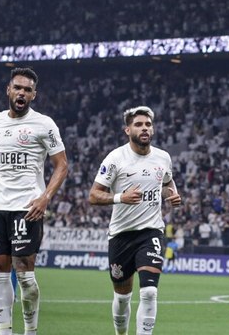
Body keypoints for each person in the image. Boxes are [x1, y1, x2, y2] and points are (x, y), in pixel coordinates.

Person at [0, 67, 69, 335]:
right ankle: (5, 332)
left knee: (25, 273)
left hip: (26, 207)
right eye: (18, 87)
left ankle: (30, 331)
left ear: (34, 95)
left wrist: (45, 197)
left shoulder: (44, 124)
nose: (22, 93)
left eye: (27, 90)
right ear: (8, 90)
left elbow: (61, 165)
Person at [89, 106, 182, 335]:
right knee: (122, 298)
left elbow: (167, 182)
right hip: (121, 234)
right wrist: (121, 197)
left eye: (148, 124)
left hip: (151, 232)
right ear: (127, 129)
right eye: (139, 125)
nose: (144, 128)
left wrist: (172, 193)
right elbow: (93, 195)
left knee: (149, 292)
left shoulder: (163, 157)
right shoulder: (116, 158)